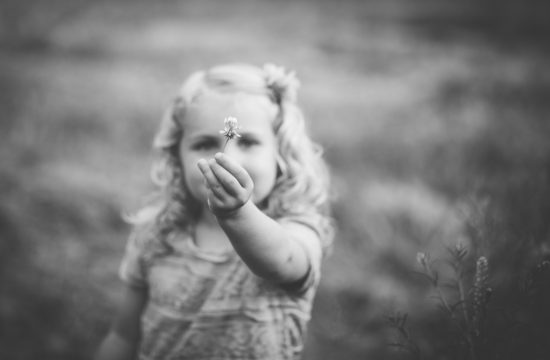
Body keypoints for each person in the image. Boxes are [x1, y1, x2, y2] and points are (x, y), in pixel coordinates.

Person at [94, 63, 333, 360]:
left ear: (280, 154)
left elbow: (282, 262)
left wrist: (237, 214)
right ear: (176, 156)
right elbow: (123, 335)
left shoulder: (295, 227)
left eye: (246, 141)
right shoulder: (157, 234)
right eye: (205, 144)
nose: (226, 159)